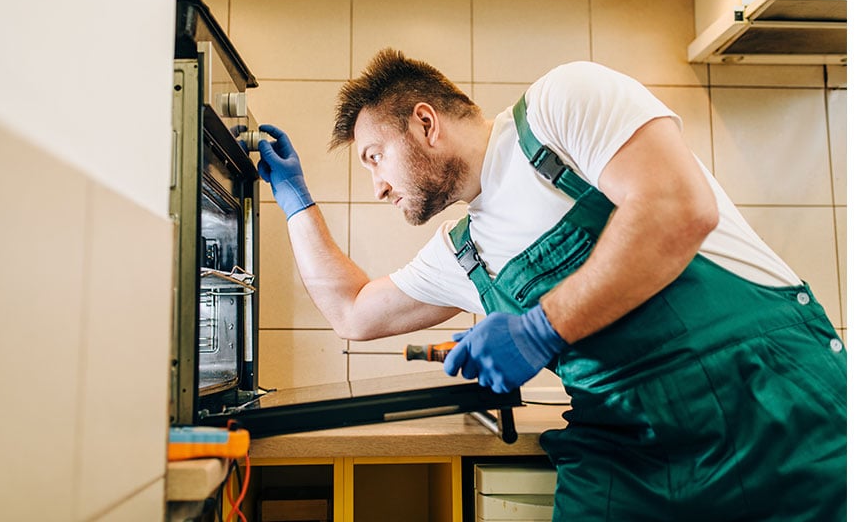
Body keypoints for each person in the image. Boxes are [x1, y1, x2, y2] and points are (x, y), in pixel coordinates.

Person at [256, 48, 846, 521]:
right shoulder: (462, 253)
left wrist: (542, 328)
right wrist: (293, 200)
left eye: (375, 158)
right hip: (627, 453)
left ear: (425, 123)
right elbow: (352, 311)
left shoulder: (561, 106)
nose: (378, 187)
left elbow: (675, 209)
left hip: (769, 405)